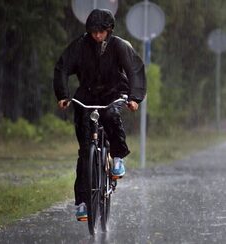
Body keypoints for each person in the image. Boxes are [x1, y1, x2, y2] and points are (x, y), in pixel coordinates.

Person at [53, 9, 146, 221]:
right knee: (85, 151)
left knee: (112, 116)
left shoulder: (119, 46)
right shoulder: (79, 46)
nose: (97, 36)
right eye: (94, 32)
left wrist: (134, 98)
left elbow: (135, 70)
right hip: (86, 94)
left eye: (101, 32)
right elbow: (62, 69)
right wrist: (63, 95)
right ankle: (84, 202)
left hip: (114, 92)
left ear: (109, 30)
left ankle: (118, 157)